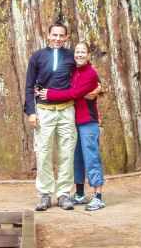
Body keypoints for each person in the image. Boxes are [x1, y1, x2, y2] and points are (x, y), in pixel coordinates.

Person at [36, 42, 106, 211]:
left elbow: (74, 93)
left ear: (88, 55)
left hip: (88, 121)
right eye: (77, 52)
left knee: (91, 157)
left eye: (83, 52)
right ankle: (80, 194)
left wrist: (50, 94)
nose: (80, 55)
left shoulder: (90, 73)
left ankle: (98, 196)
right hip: (72, 119)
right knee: (76, 158)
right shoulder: (73, 70)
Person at [24, 23, 77, 211]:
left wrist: (97, 86)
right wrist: (31, 111)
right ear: (48, 36)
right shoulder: (37, 57)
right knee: (44, 153)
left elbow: (82, 80)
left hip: (66, 111)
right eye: (54, 35)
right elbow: (30, 86)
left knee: (66, 152)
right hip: (44, 111)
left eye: (61, 35)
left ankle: (63, 194)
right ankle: (45, 194)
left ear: (66, 37)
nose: (57, 38)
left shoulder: (72, 57)